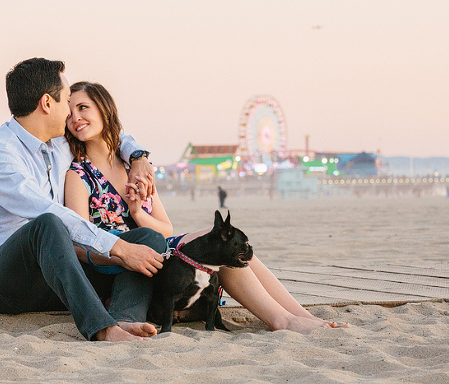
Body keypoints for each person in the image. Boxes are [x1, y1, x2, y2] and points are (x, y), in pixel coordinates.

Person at [61, 81, 347, 332]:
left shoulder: (136, 168)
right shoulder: (78, 176)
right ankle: (282, 321)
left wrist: (137, 213)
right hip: (124, 269)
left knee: (229, 245)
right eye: (70, 113)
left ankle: (300, 315)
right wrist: (125, 251)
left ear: (104, 108)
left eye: (83, 107)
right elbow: (80, 241)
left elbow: (165, 228)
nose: (76, 117)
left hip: (159, 252)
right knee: (218, 247)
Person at [0, 58, 167, 342]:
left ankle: (125, 319)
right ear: (47, 103)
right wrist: (119, 248)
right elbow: (47, 213)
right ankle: (102, 329)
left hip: (54, 277)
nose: (71, 115)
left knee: (146, 238)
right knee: (48, 224)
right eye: (66, 102)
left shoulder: (57, 145)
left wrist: (138, 156)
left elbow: (112, 132)